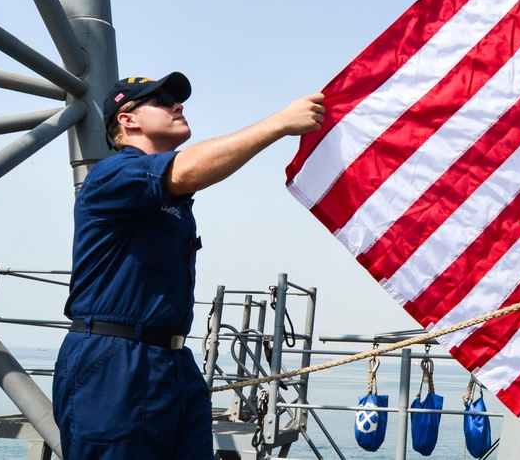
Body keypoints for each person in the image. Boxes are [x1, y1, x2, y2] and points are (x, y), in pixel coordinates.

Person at [52, 72, 325, 459]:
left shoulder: (172, 199)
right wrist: (279, 123)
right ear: (127, 120)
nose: (177, 105)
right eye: (161, 100)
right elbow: (184, 169)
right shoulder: (112, 174)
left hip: (173, 361)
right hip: (114, 364)